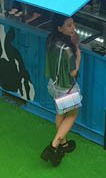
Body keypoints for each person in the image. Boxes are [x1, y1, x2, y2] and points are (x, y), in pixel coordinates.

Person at [40, 15, 81, 166]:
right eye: (69, 25)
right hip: (67, 89)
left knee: (60, 114)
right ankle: (53, 147)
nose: (73, 28)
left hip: (53, 85)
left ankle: (63, 144)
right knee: (72, 115)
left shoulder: (51, 40)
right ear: (60, 28)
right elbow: (73, 72)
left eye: (73, 24)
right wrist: (78, 53)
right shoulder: (68, 50)